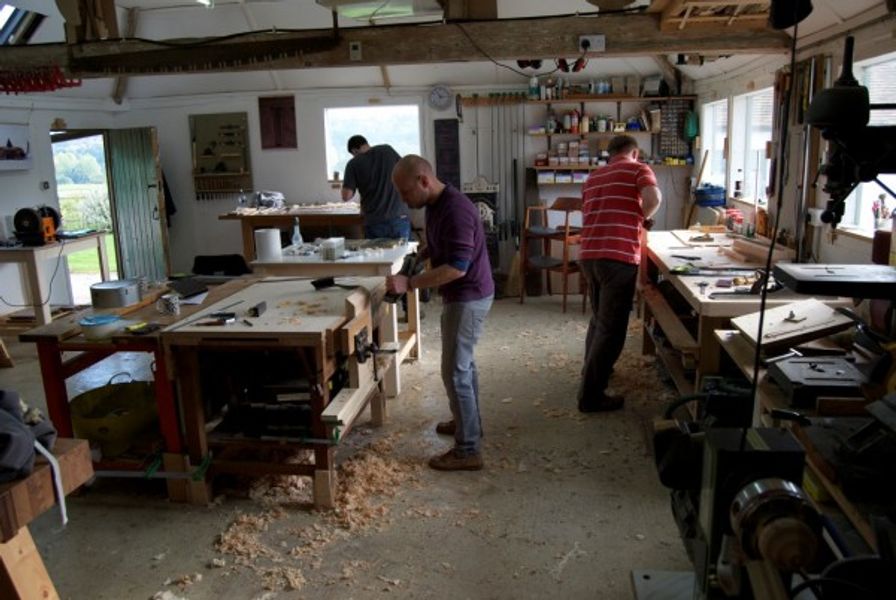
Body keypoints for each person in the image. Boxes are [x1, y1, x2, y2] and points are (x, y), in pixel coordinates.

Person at [386, 155, 494, 471]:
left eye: (406, 193)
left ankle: (468, 449)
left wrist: (410, 283)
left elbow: (458, 269)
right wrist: (428, 249)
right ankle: (468, 423)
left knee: (455, 371)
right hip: (462, 296)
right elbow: (449, 245)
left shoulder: (455, 209)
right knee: (463, 365)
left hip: (468, 295)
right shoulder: (437, 204)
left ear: (423, 180)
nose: (404, 200)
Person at [577, 134, 662, 413]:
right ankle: (591, 396)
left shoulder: (593, 177)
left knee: (600, 318)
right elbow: (653, 197)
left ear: (610, 154)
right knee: (612, 329)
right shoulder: (637, 169)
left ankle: (591, 371)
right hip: (618, 257)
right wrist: (641, 217)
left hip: (589, 255)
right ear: (634, 152)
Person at [341, 135, 411, 240]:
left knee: (377, 255)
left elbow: (346, 196)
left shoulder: (353, 164)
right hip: (399, 217)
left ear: (354, 151)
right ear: (366, 143)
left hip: (375, 222)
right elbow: (407, 170)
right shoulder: (387, 150)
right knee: (402, 255)